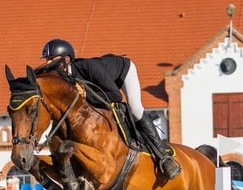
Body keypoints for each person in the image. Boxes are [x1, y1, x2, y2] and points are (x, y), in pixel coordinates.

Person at [40, 38, 181, 180]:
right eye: (47, 60)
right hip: (103, 88)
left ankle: (164, 157)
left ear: (67, 59)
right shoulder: (62, 80)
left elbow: (115, 96)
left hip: (123, 72)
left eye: (52, 59)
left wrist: (85, 94)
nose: (48, 63)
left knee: (135, 109)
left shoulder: (88, 67)